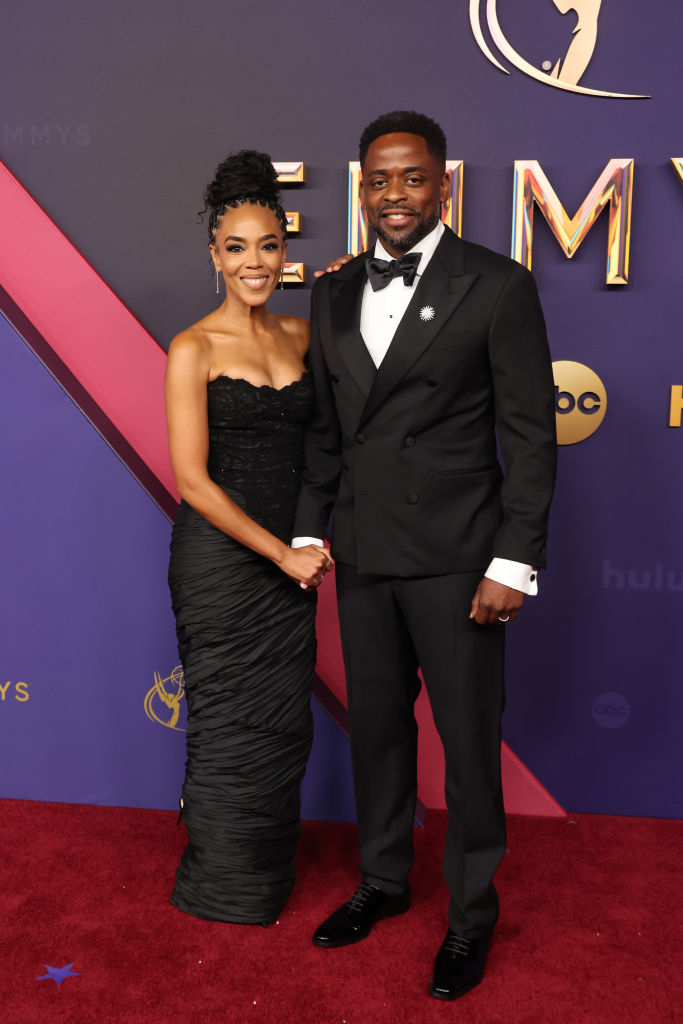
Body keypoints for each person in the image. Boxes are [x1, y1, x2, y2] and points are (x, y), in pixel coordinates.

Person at [293, 111, 557, 999]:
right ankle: (382, 880)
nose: (393, 195)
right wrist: (307, 526)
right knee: (376, 732)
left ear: (442, 184)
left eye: (410, 178)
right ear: (360, 188)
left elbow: (528, 436)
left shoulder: (496, 284)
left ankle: (470, 916)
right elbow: (327, 435)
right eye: (377, 180)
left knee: (467, 742)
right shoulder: (329, 293)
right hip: (364, 553)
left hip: (458, 558)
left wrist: (512, 560)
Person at [165, 150, 333, 926]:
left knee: (278, 721)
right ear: (214, 255)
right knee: (227, 718)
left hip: (290, 564)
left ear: (283, 252)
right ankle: (219, 886)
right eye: (237, 248)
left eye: (267, 245)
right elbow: (193, 481)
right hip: (224, 563)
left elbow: (329, 444)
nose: (254, 262)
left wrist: (308, 541)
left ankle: (264, 874)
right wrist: (281, 553)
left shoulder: (303, 336)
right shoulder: (191, 348)